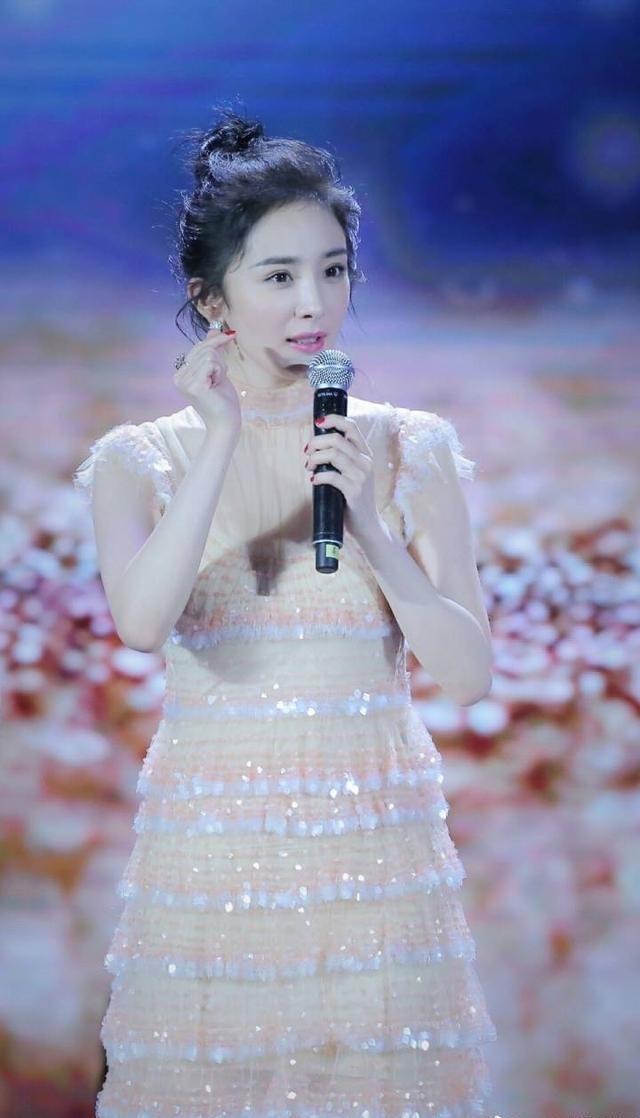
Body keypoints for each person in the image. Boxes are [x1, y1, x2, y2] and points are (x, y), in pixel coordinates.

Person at [73, 104, 498, 1118]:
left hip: (374, 857)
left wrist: (371, 528)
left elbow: (469, 672)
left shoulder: (409, 445)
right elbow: (143, 622)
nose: (314, 303)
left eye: (333, 270)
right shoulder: (141, 459)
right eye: (278, 277)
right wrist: (218, 437)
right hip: (215, 856)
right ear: (209, 297)